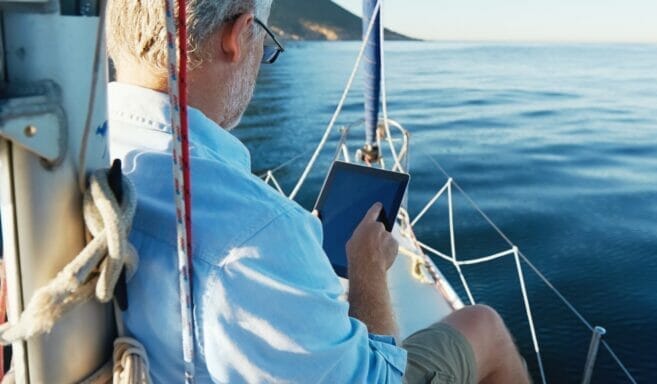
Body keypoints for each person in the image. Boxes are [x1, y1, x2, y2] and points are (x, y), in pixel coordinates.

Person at [105, 1, 530, 383]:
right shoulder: (259, 236)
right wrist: (366, 272)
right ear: (238, 36)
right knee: (483, 325)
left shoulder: (89, 160)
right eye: (265, 43)